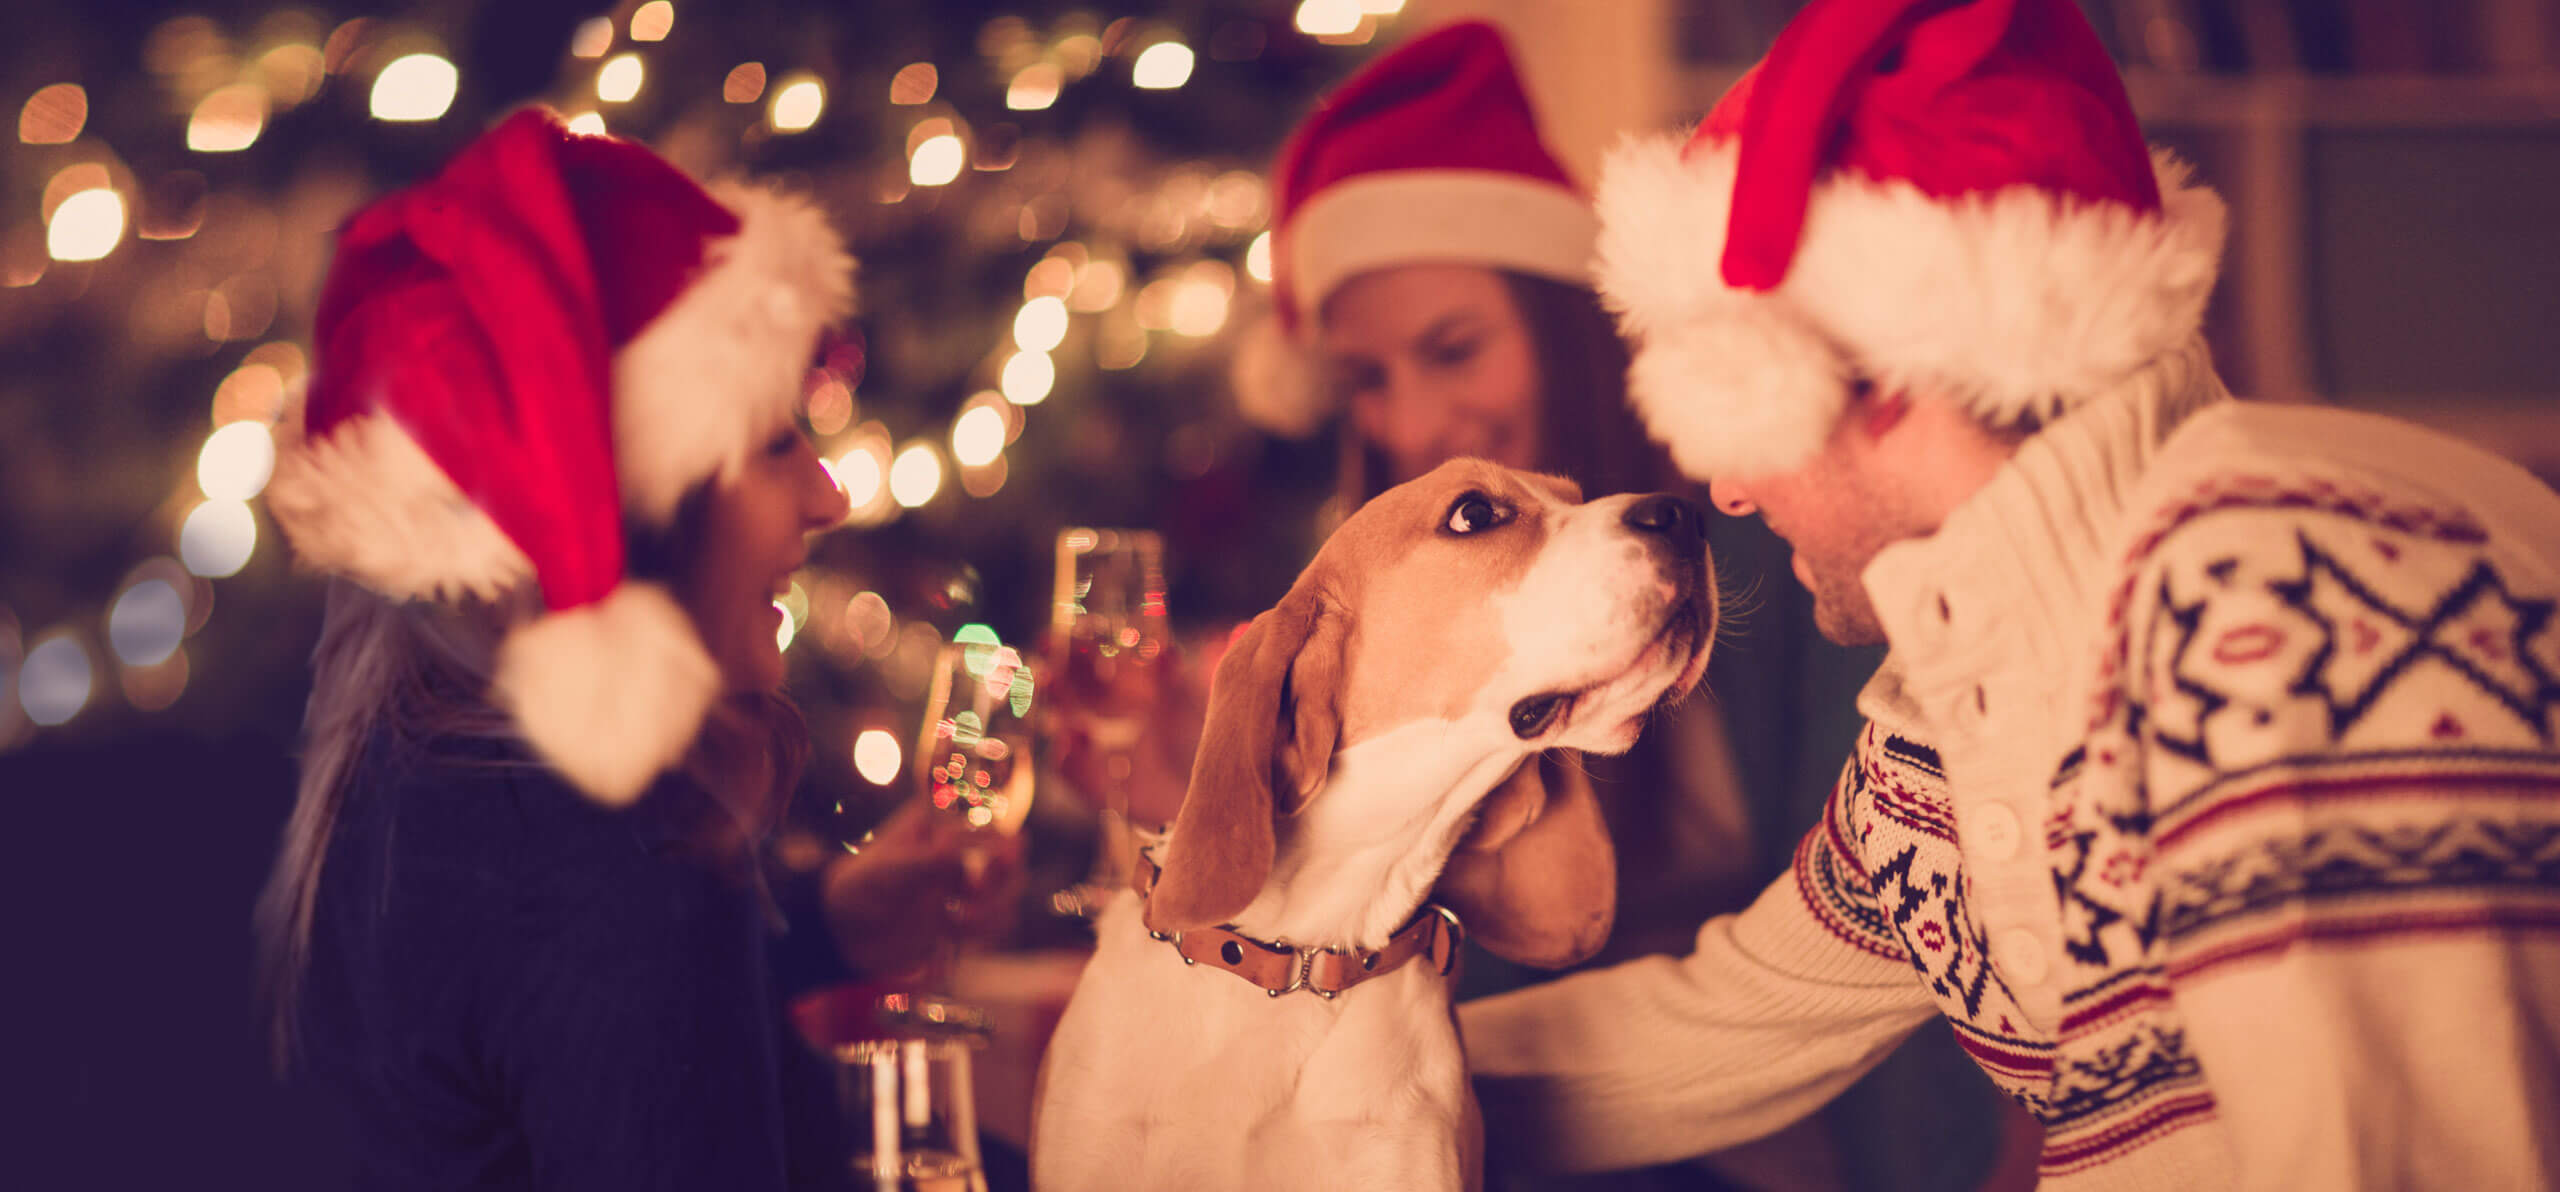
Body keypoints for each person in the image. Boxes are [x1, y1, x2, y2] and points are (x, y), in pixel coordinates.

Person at [1458, 1, 2560, 1188]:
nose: (1724, 488)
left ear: (1884, 376)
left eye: (1735, 404)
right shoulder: (1953, 702)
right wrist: (1293, 1044)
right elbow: (1712, 1029)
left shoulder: (2272, 589)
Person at [1053, 22, 1849, 1191]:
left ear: (1558, 324)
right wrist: (1216, 782)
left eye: (1455, 348)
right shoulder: (1374, 602)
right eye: (1369, 379)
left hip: (1774, 1133)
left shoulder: (1789, 547)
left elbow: (1876, 948)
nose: (1420, 424)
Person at [252, 108, 1013, 1190]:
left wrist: (819, 924)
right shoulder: (623, 880)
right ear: (628, 518)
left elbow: (539, 1033)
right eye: (772, 443)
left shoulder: (421, 776)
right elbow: (606, 972)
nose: (829, 495)